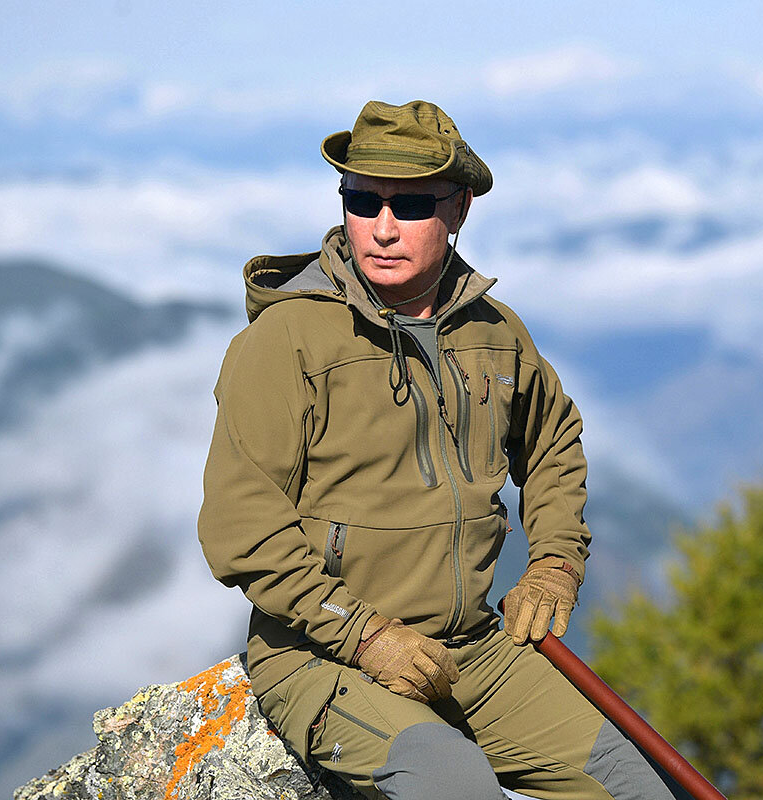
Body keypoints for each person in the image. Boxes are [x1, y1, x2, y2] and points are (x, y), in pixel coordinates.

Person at [198, 100, 677, 800]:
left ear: (459, 210)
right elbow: (241, 527)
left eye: (412, 205)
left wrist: (555, 562)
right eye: (362, 201)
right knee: (455, 787)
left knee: (636, 786)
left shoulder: (494, 334)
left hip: (473, 650)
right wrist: (366, 636)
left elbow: (551, 441)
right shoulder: (286, 341)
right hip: (323, 657)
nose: (382, 227)